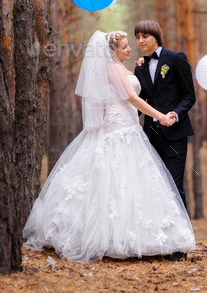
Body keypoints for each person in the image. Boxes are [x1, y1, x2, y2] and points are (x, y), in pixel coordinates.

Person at [23, 30, 196, 263]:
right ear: (111, 51)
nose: (129, 49)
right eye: (125, 46)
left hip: (129, 128)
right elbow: (133, 99)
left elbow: (138, 87)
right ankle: (114, 238)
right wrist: (161, 116)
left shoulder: (120, 67)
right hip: (119, 128)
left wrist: (140, 68)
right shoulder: (113, 69)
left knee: (135, 183)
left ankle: (138, 235)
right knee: (116, 182)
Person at [133, 20, 196, 261]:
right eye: (138, 36)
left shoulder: (176, 58)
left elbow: (189, 96)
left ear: (156, 36)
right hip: (150, 136)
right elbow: (141, 102)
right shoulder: (140, 68)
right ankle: (159, 241)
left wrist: (176, 114)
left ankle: (180, 246)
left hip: (175, 134)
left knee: (174, 186)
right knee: (156, 188)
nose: (141, 41)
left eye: (145, 36)